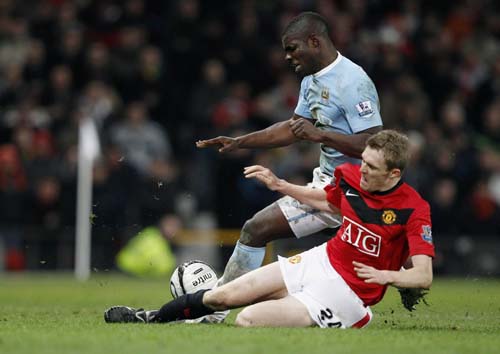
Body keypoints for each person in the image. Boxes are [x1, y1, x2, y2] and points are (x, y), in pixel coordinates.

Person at [104, 130, 435, 328]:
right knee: (223, 296)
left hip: (345, 295)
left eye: (372, 167)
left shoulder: (414, 209)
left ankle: (354, 319)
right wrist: (281, 185)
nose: (362, 170)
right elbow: (328, 202)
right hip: (318, 262)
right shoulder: (350, 176)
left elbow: (423, 276)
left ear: (393, 175)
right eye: (363, 160)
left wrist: (386, 276)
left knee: (248, 319)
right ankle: (148, 319)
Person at [196, 11, 383, 297]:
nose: (287, 57)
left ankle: (217, 303)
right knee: (255, 229)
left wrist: (321, 135)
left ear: (314, 41)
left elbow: (374, 143)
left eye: (292, 49)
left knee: (257, 230)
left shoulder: (353, 81)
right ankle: (218, 304)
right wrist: (240, 142)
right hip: (328, 186)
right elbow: (292, 129)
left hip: (356, 190)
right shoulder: (311, 81)